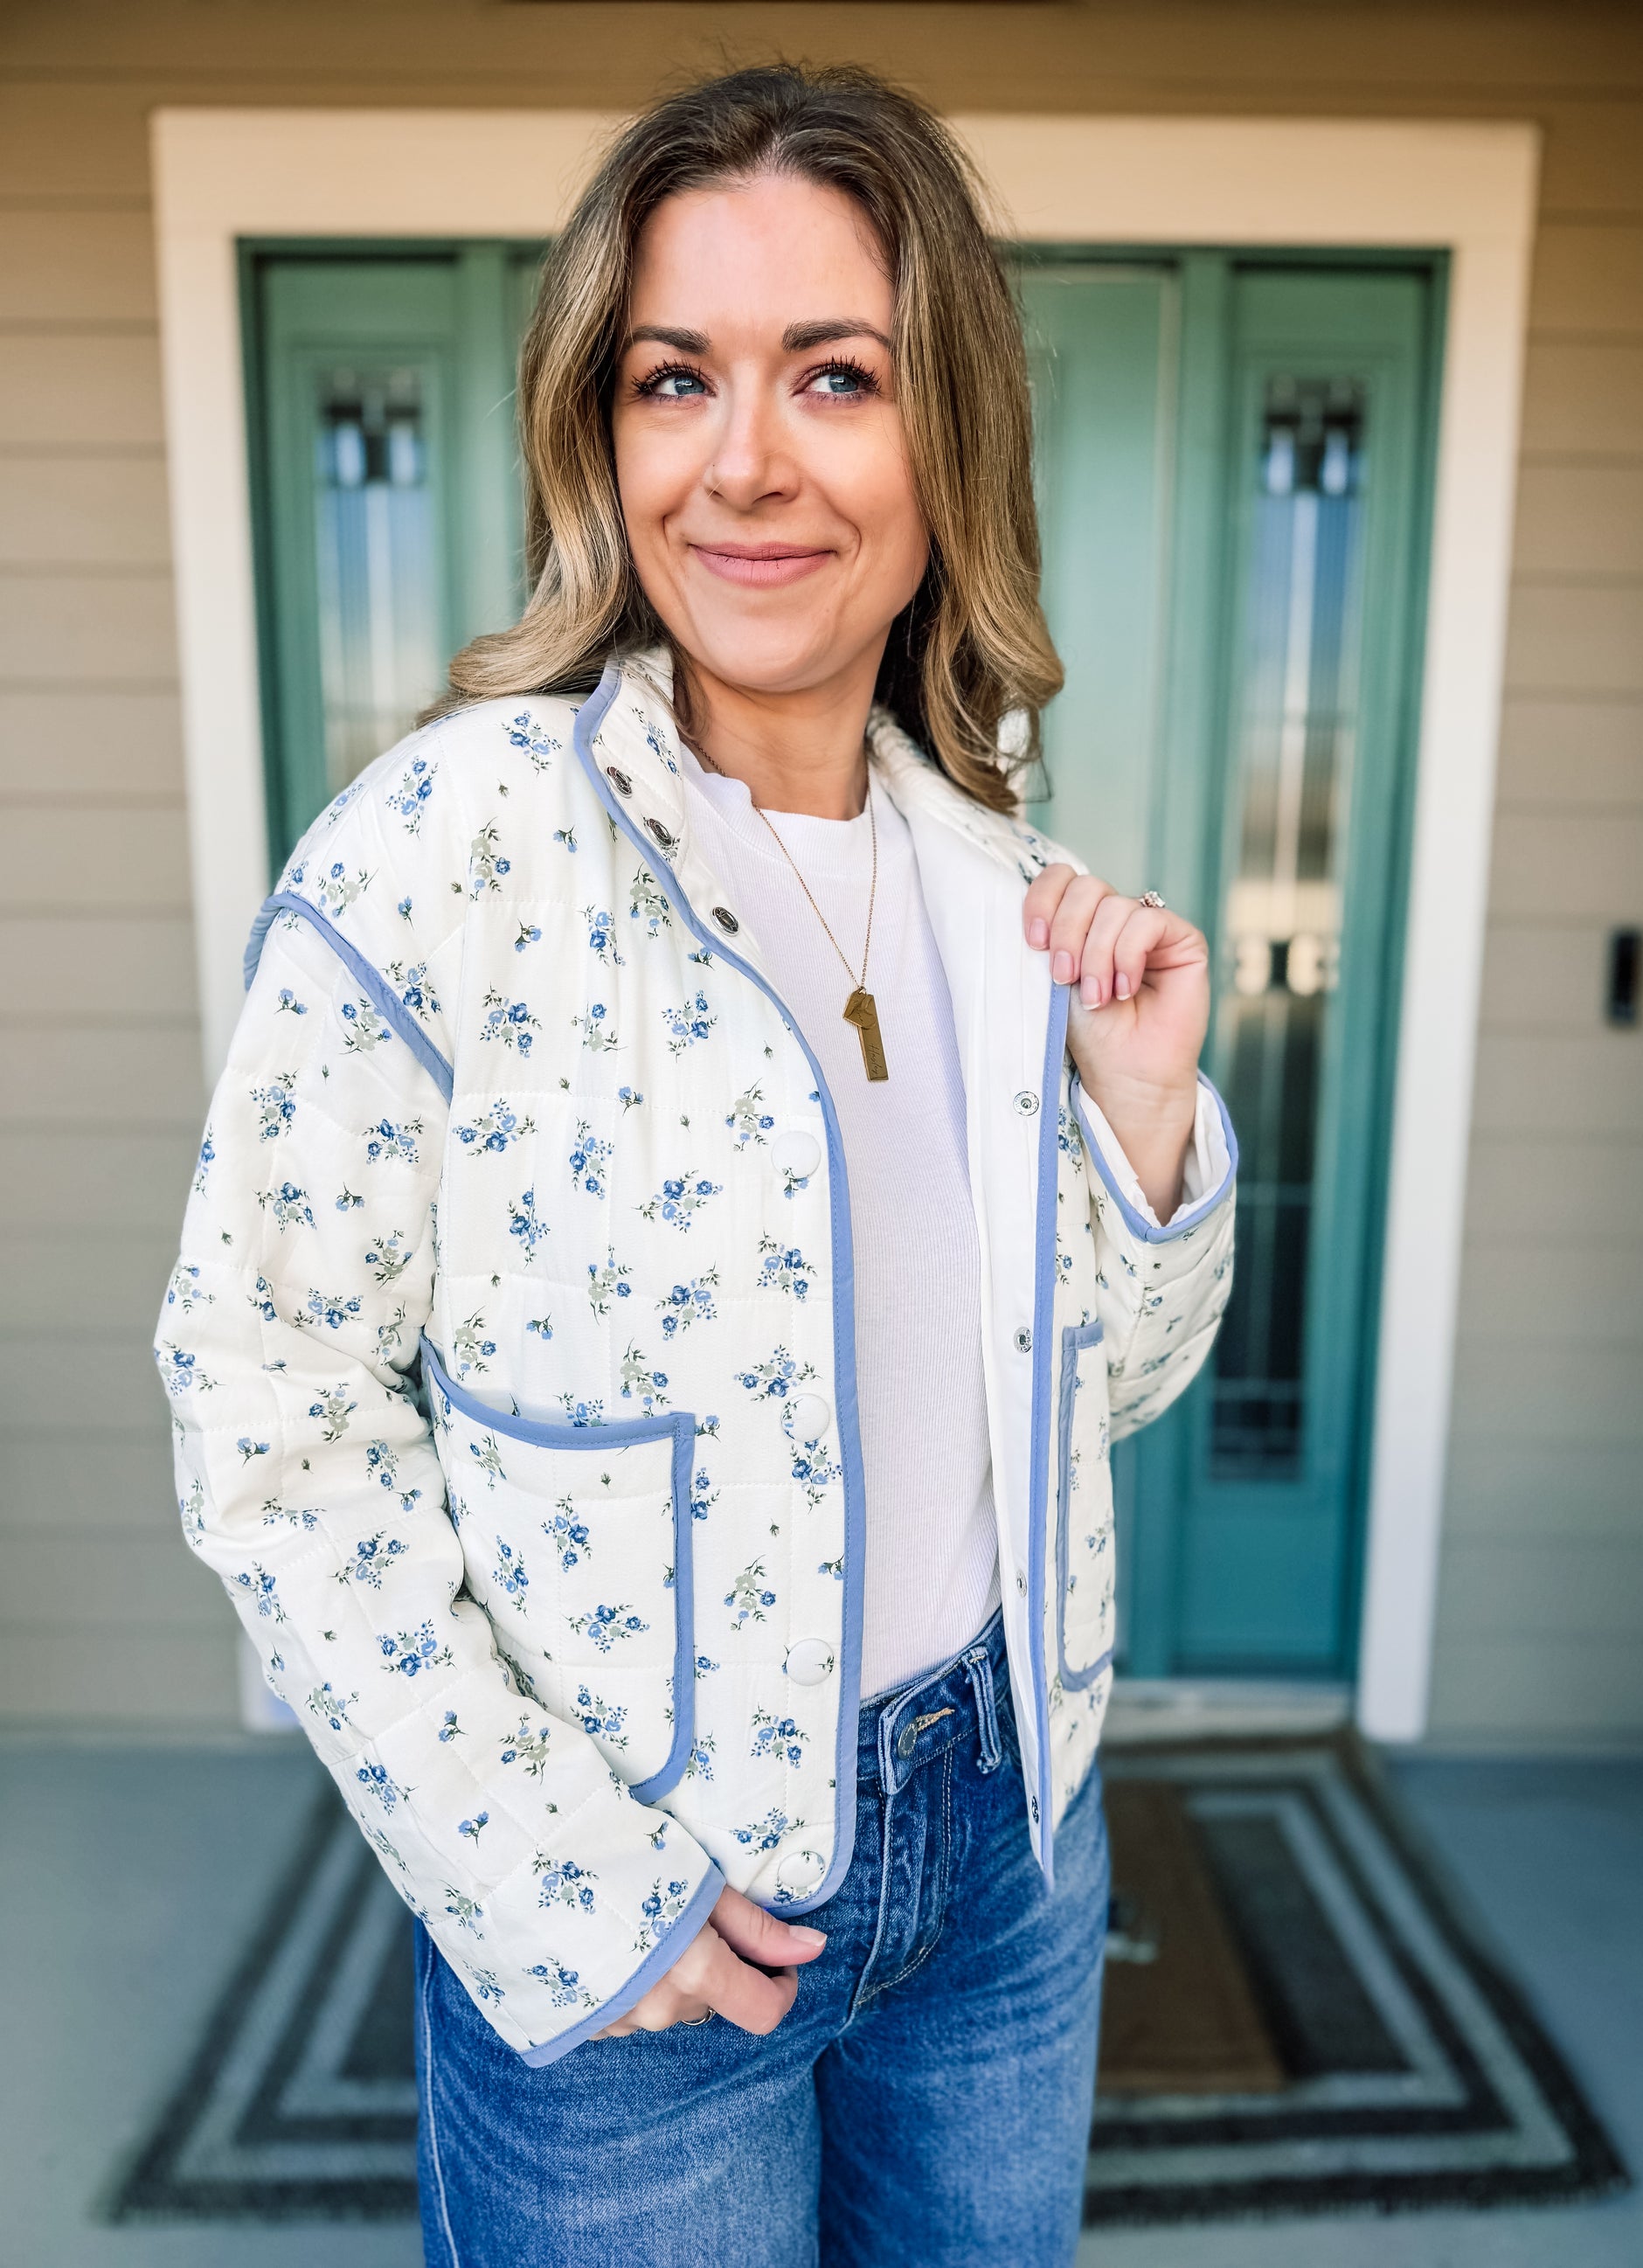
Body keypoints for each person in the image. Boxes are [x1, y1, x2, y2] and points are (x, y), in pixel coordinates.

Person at [158, 61, 1236, 2268]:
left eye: (833, 376)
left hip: (1007, 1864)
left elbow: (1080, 1399)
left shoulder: (996, 887)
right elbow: (264, 1402)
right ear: (603, 434)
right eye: (677, 379)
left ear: (945, 436)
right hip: (646, 1911)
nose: (744, 458)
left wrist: (1141, 1126)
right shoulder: (445, 852)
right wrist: (567, 1887)